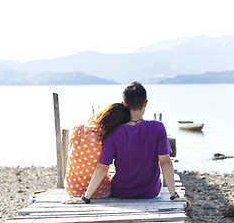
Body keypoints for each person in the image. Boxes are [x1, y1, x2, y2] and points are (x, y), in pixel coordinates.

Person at [63, 81, 191, 211]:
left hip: (121, 192)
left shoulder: (113, 132)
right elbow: (165, 162)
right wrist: (173, 195)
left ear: (124, 104)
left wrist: (85, 198)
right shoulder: (158, 127)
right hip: (150, 192)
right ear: (145, 103)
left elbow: (102, 167)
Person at [64, 103, 130, 199]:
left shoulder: (78, 129)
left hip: (72, 190)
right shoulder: (108, 140)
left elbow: (73, 153)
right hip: (98, 193)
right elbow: (102, 168)